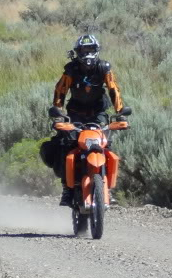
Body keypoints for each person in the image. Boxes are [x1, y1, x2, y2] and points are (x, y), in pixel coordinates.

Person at [50, 34, 124, 206]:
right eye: (84, 50)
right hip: (75, 113)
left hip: (98, 112)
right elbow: (60, 90)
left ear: (96, 51)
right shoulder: (71, 69)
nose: (88, 54)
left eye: (91, 49)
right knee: (67, 145)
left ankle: (107, 188)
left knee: (105, 144)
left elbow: (113, 89)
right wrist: (58, 111)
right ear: (78, 52)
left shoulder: (104, 68)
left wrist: (120, 111)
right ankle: (67, 189)